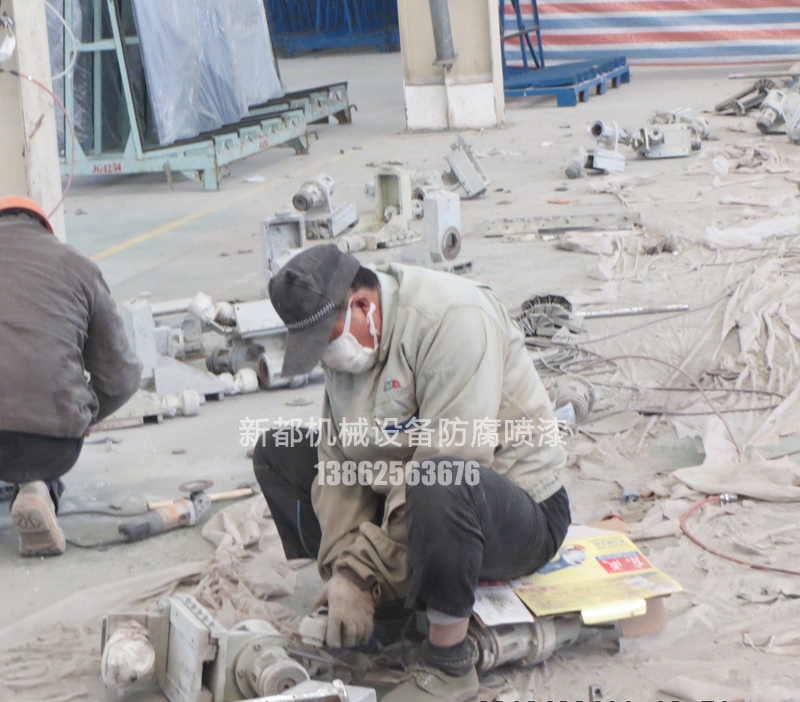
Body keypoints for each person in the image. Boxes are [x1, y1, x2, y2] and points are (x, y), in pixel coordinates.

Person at [253, 244, 570, 702]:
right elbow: (337, 463)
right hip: (410, 496)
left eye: (326, 341)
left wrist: (363, 573)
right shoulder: (351, 343)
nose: (326, 356)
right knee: (277, 451)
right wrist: (345, 569)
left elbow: (457, 454)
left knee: (439, 480)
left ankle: (449, 662)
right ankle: (385, 608)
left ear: (363, 305)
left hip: (510, 512)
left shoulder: (454, 319)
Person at [0, 196, 142, 557]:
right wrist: (86, 414)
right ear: (44, 228)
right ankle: (37, 489)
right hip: (52, 443)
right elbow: (121, 377)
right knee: (32, 440)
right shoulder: (77, 266)